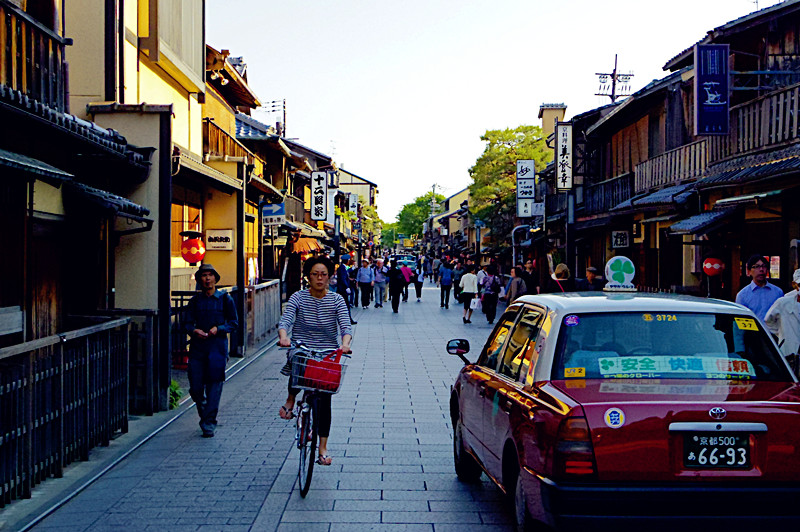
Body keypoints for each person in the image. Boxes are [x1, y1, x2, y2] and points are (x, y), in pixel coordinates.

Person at [277, 256, 352, 466]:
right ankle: (291, 399)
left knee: (325, 399)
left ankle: (323, 448)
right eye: (315, 274)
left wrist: (345, 343)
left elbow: (345, 326)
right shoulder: (298, 297)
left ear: (329, 277)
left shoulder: (336, 300)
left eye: (324, 274)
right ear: (308, 276)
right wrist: (284, 337)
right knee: (298, 359)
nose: (319, 278)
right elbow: (286, 320)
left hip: (327, 351)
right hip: (302, 346)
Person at [183, 264, 239, 438]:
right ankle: (205, 411)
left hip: (217, 347)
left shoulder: (224, 299)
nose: (207, 279)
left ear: (215, 278)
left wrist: (219, 328)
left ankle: (209, 423)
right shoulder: (195, 301)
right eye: (204, 276)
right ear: (200, 279)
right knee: (196, 386)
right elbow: (186, 323)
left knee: (214, 385)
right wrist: (194, 331)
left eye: (210, 275)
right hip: (198, 348)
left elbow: (234, 323)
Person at [764, 268, 800, 364]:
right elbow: (768, 321)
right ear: (794, 285)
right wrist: (782, 333)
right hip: (789, 353)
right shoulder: (783, 302)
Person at [736, 254, 784, 322]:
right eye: (757, 266)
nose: (761, 269)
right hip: (753, 332)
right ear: (749, 271)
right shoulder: (742, 295)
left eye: (764, 266)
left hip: (774, 332)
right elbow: (740, 321)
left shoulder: (778, 292)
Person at [336, 257, 357, 325]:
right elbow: (343, 278)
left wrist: (351, 269)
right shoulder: (342, 268)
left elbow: (346, 273)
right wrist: (346, 287)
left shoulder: (343, 267)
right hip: (342, 289)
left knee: (345, 305)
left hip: (342, 289)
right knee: (345, 305)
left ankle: (347, 319)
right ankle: (347, 319)